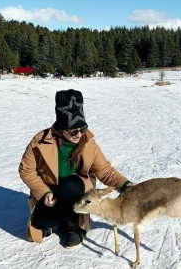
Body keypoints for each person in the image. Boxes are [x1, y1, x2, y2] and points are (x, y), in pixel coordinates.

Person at [19, 89, 133, 249]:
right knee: (40, 225)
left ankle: (75, 228)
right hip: (50, 192)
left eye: (82, 128)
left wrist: (126, 186)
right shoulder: (40, 141)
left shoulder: (88, 143)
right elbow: (26, 170)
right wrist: (44, 193)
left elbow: (106, 171)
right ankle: (57, 221)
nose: (79, 134)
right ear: (60, 128)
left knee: (71, 184)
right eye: (73, 131)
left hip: (75, 191)